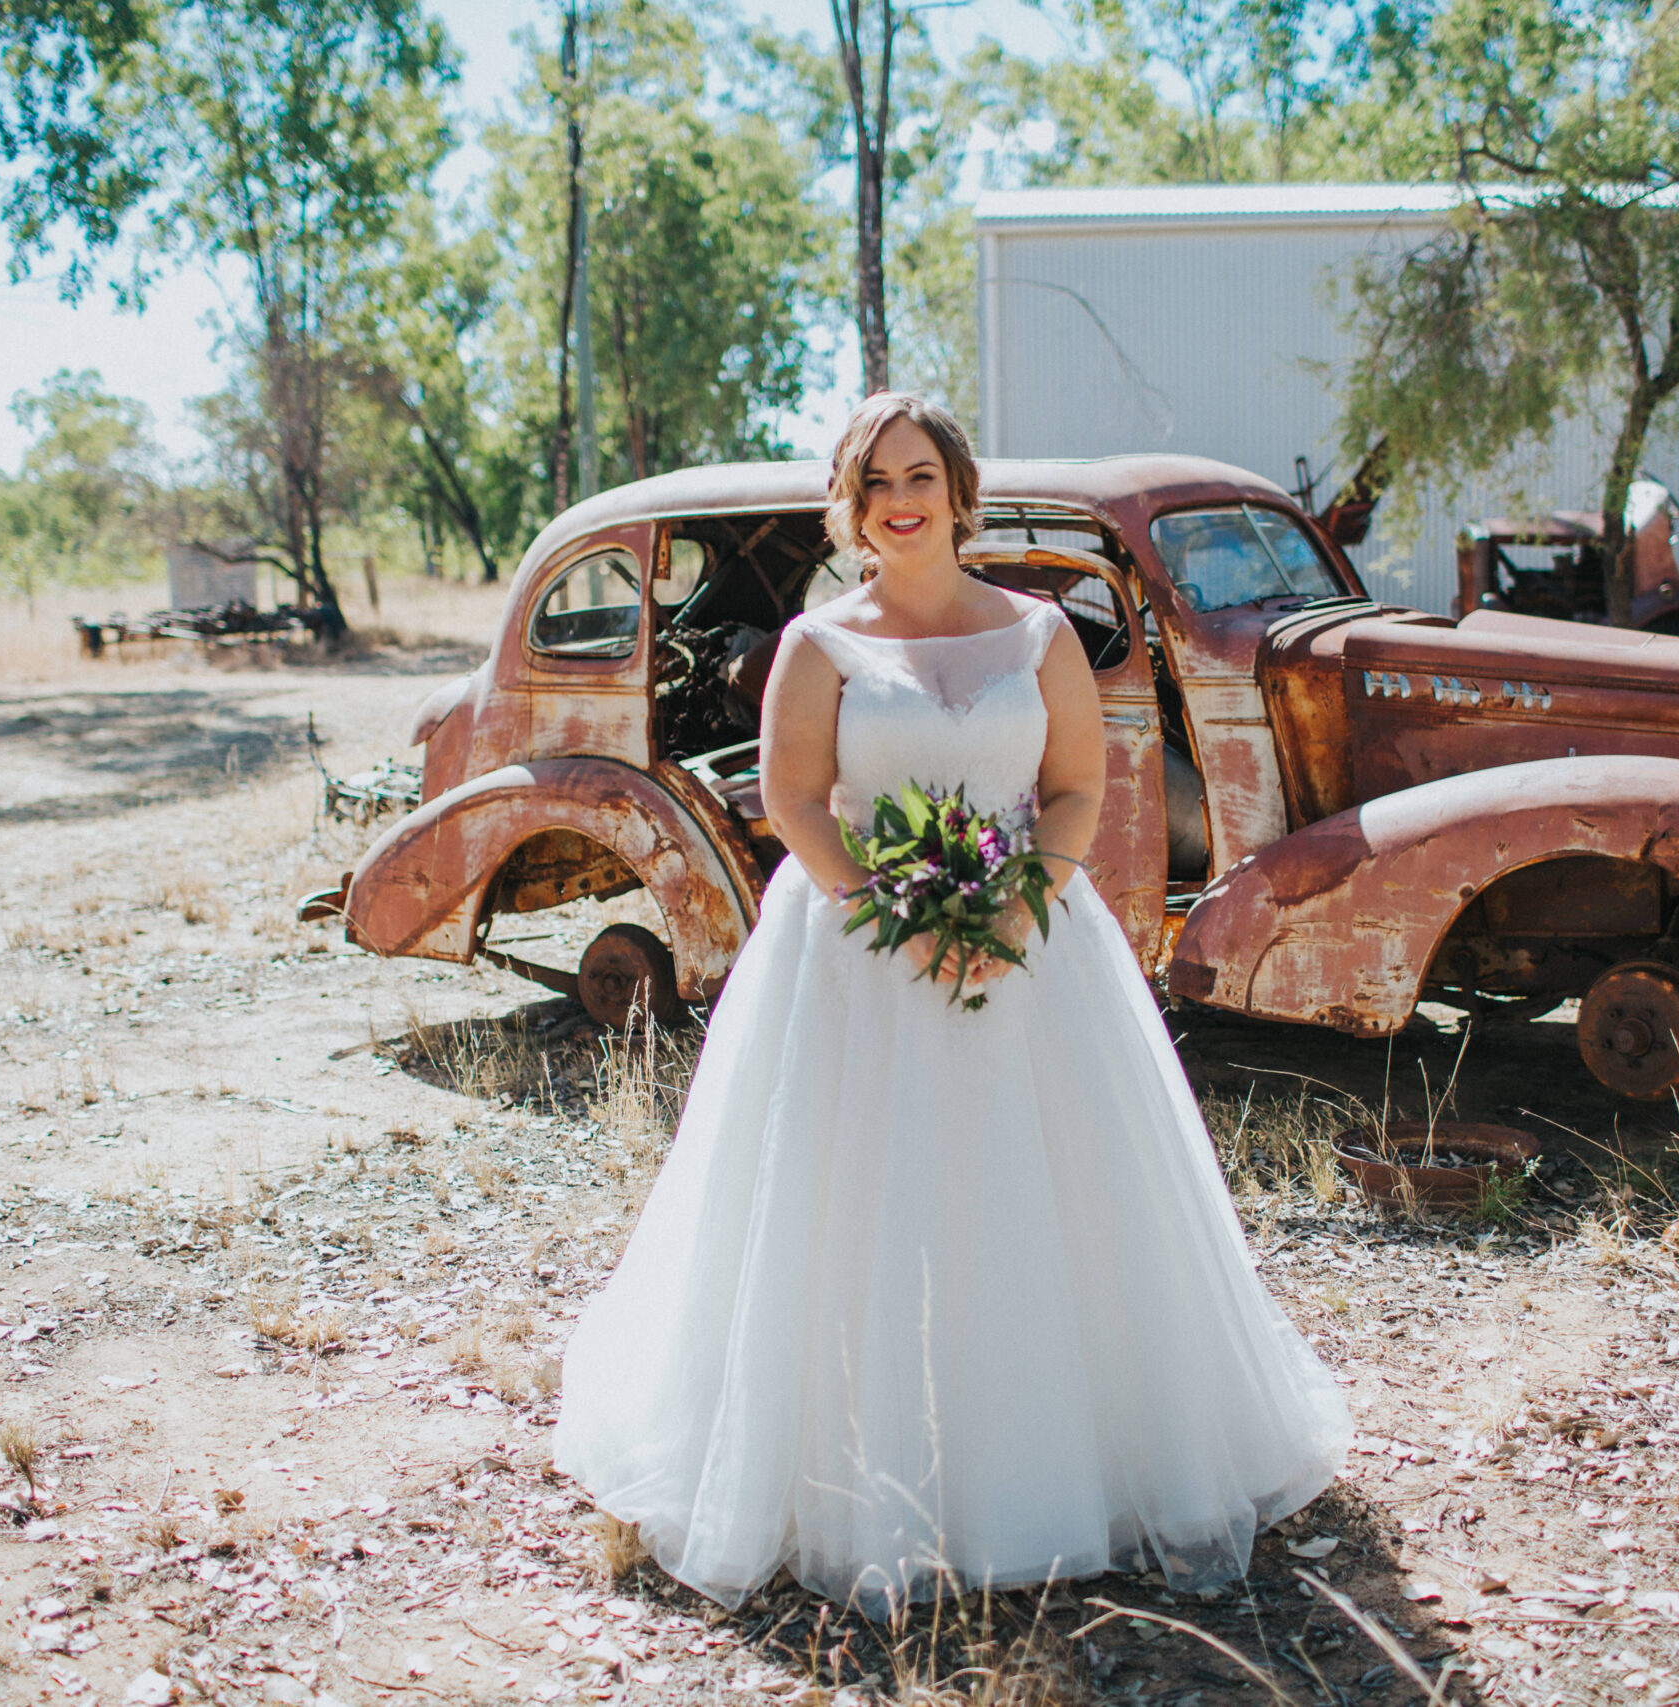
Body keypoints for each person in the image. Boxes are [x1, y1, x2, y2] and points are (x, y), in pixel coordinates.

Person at [552, 393, 1348, 1612]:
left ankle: (1053, 1460)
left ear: (959, 494)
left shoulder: (1038, 635)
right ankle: (848, 1474)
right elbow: (798, 803)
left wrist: (1020, 903)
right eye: (873, 484)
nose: (898, 501)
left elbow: (1077, 787)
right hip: (855, 952)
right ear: (851, 506)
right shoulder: (820, 645)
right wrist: (893, 913)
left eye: (918, 475)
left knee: (1040, 1198)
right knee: (853, 1204)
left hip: (1034, 941)